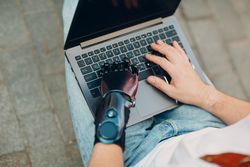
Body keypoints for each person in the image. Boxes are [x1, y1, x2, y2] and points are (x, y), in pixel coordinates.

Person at [62, 1, 250, 166]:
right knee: (142, 21)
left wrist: (115, 106)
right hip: (203, 124)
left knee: (78, 14)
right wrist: (204, 94)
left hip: (130, 156)